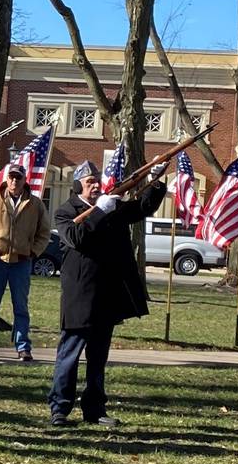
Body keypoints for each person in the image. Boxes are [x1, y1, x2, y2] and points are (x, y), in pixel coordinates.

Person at [50, 159, 166, 427]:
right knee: (69, 355)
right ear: (78, 184)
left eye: (96, 181)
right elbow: (77, 238)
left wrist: (156, 182)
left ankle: (95, 409)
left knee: (98, 357)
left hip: (106, 293)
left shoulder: (111, 206)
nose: (95, 186)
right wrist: (100, 211)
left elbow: (141, 208)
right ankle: (59, 409)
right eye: (89, 182)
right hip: (79, 295)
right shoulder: (66, 211)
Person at [0, 163, 51, 361]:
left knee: (20, 306)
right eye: (12, 177)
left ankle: (23, 346)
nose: (14, 181)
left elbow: (44, 233)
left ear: (25, 181)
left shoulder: (36, 205)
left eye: (18, 178)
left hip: (22, 262)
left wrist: (33, 252)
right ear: (6, 179)